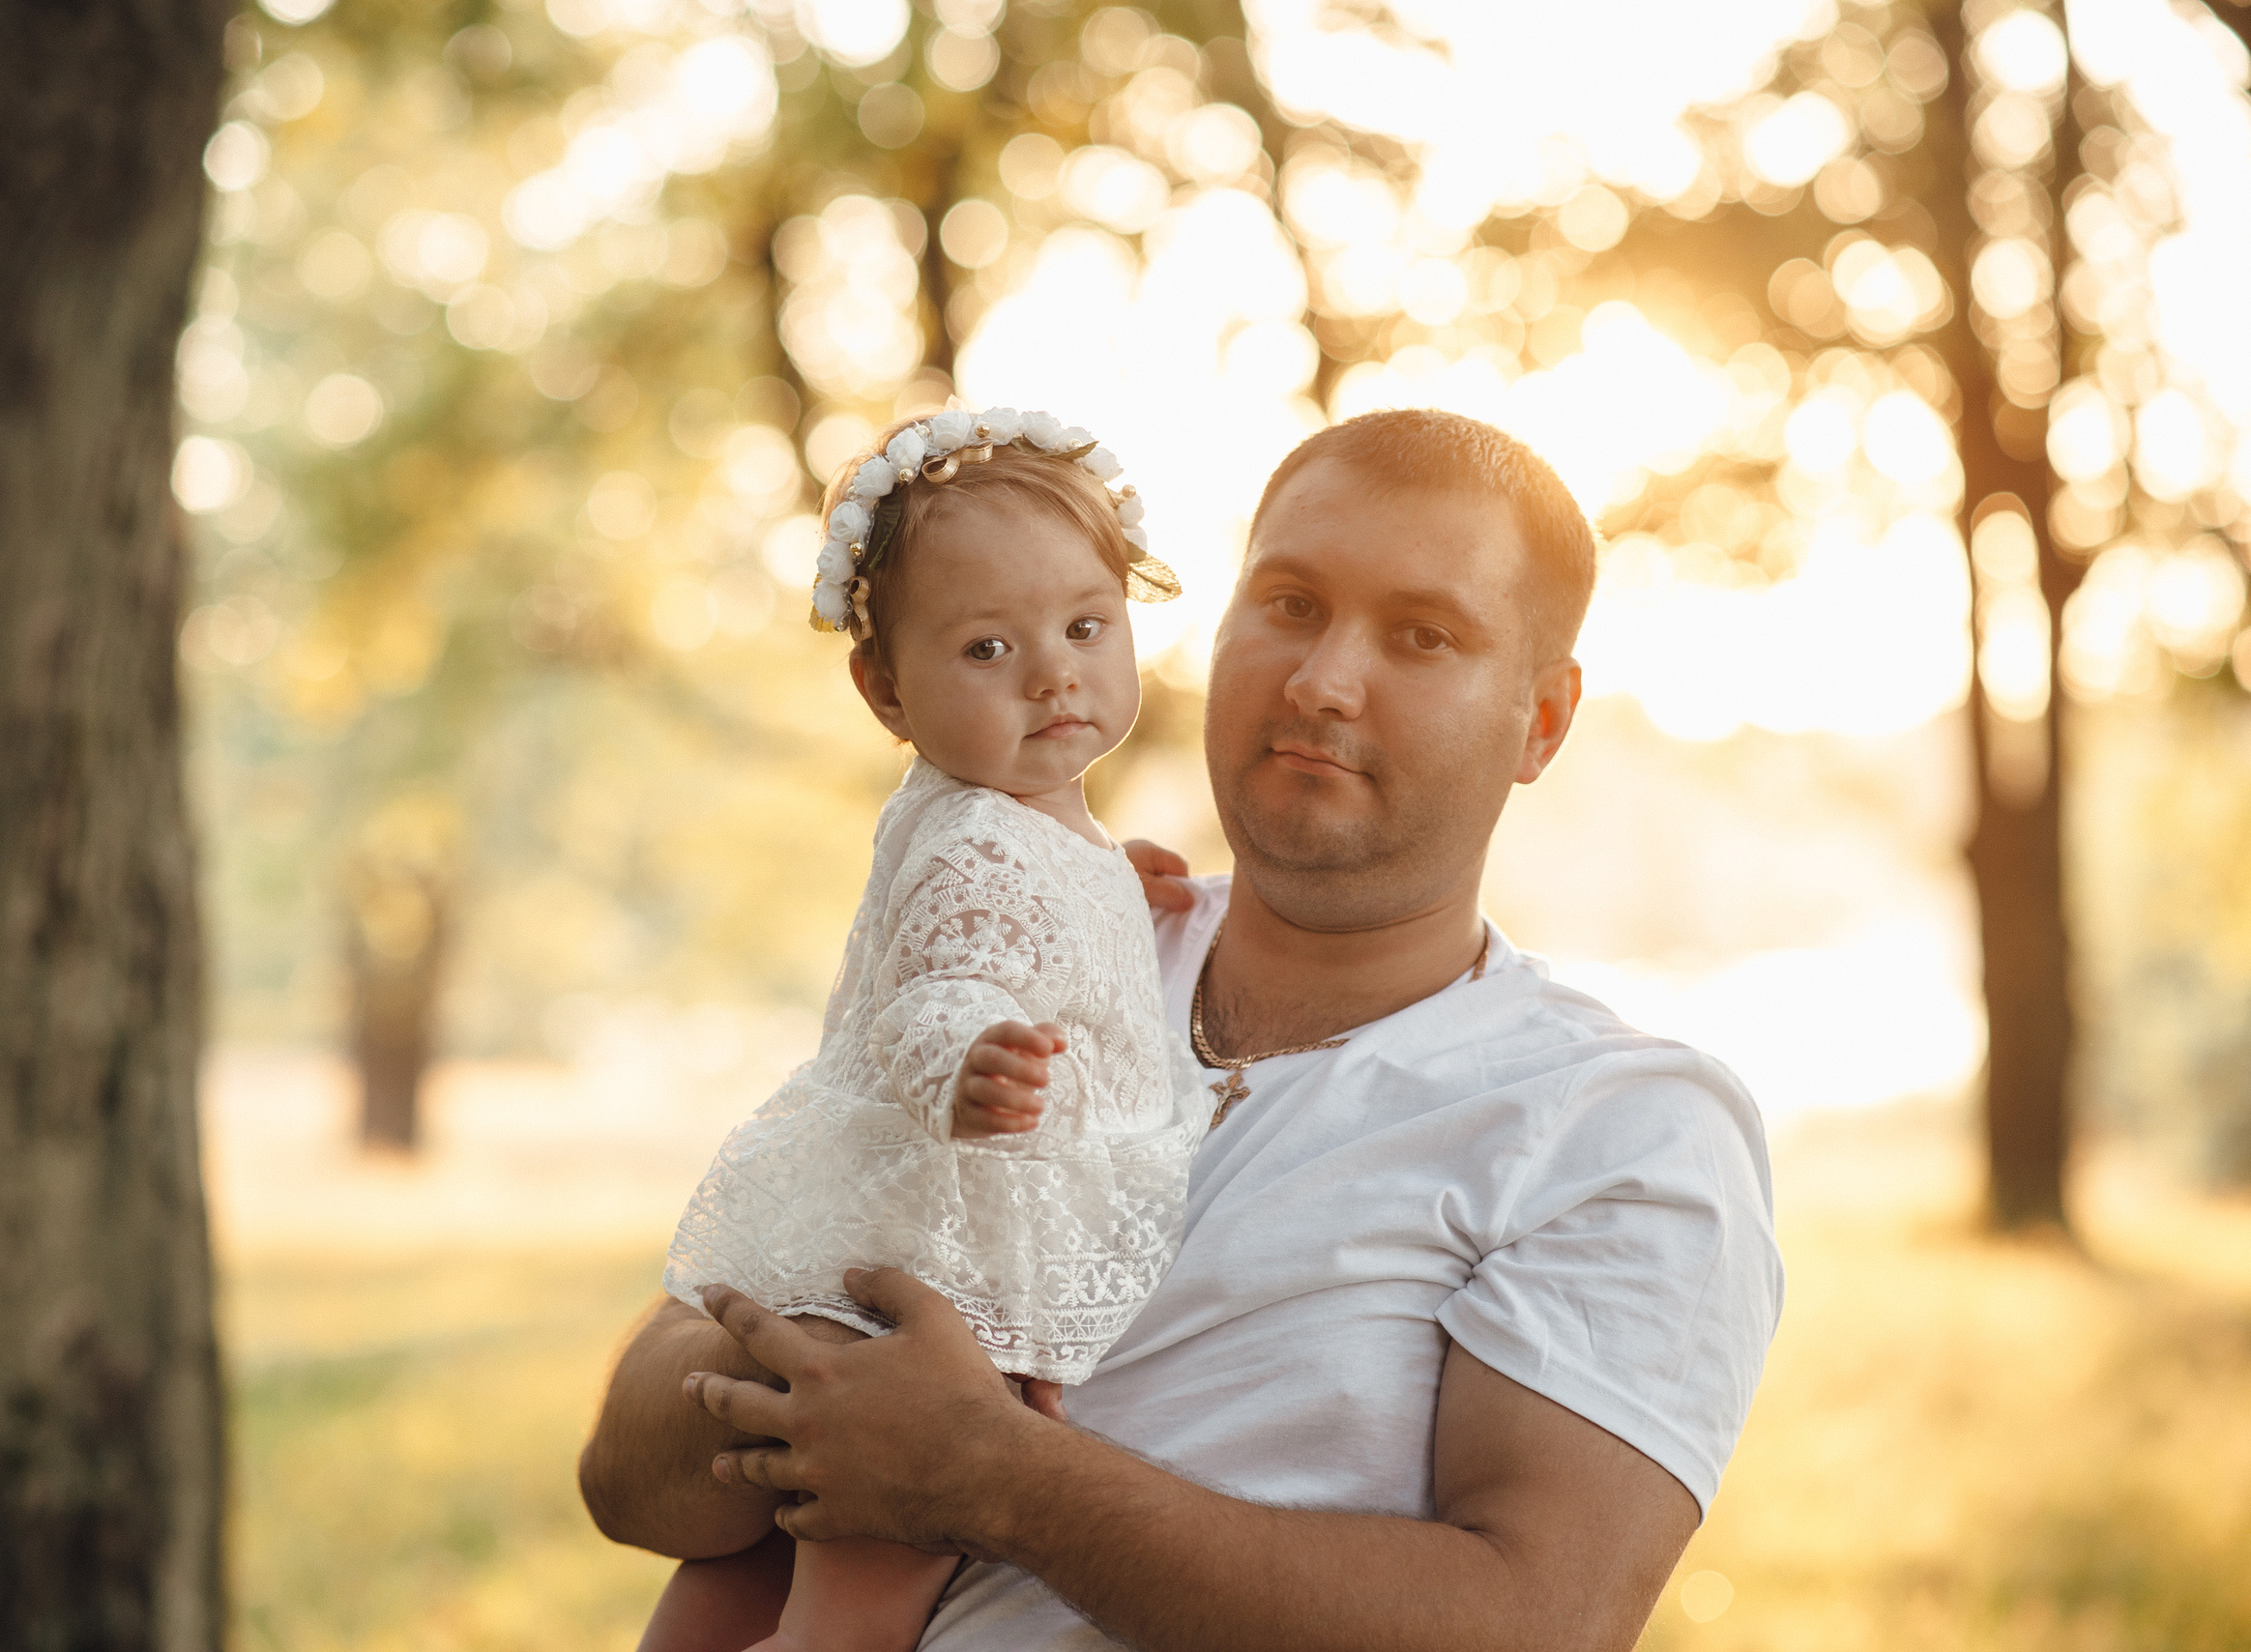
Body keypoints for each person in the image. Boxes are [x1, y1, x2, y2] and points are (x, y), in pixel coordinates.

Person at [584, 408, 1785, 1652]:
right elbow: (626, 1473)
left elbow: (1536, 1622)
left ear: (1540, 719)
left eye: (1422, 635)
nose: (1321, 679)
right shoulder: (1026, 948)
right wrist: (818, 1391)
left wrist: (993, 1476)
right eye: (1290, 603)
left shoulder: (1620, 1129)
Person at [641, 406, 1210, 1652]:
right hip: (937, 1307)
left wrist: (1118, 885)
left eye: (1084, 628)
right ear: (884, 685)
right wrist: (966, 1062)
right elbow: (938, 988)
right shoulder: (980, 842)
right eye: (988, 646)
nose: (1053, 673)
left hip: (854, 1274)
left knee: (744, 1573)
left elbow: (1028, 903)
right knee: (855, 1614)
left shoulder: (1001, 815)